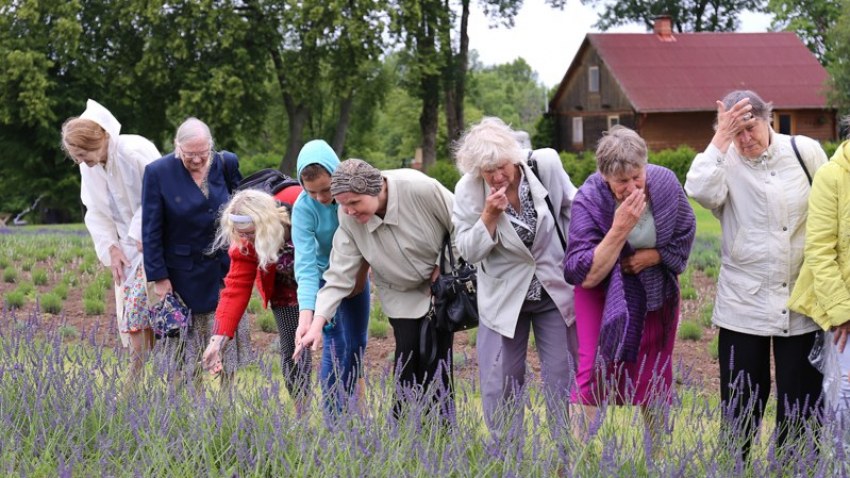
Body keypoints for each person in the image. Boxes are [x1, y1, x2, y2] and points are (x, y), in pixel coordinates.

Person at [685, 89, 827, 458]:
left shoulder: (804, 151)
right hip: (742, 303)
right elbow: (698, 190)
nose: (745, 139)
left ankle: (795, 467)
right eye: (736, 131)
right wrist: (721, 138)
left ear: (769, 118)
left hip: (801, 299)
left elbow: (831, 210)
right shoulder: (724, 161)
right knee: (741, 401)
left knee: (802, 404)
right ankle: (736, 467)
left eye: (751, 127)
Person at [564, 125, 695, 452]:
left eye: (637, 177)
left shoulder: (664, 183)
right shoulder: (589, 198)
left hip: (655, 290)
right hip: (602, 292)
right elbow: (581, 271)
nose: (632, 187)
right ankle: (576, 460)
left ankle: (659, 460)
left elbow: (686, 230)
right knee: (593, 372)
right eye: (621, 182)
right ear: (605, 177)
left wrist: (655, 256)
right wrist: (619, 228)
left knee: (655, 375)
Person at [294, 159, 455, 419]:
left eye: (355, 203)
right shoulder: (347, 216)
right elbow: (338, 275)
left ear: (377, 188)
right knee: (407, 359)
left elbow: (462, 224)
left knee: (437, 361)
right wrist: (316, 323)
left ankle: (441, 436)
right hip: (399, 291)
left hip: (440, 288)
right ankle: (403, 433)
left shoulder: (421, 189)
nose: (348, 212)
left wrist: (443, 265)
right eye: (343, 205)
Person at [452, 117, 578, 439]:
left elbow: (573, 207)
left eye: (501, 167)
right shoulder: (468, 190)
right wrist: (488, 217)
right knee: (500, 383)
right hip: (504, 298)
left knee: (563, 377)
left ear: (514, 155)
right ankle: (508, 460)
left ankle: (570, 455)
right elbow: (467, 250)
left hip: (552, 289)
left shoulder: (544, 164)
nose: (496, 176)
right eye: (486, 171)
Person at [142, 117, 251, 380]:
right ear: (176, 147)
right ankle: (186, 411)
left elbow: (244, 206)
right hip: (182, 277)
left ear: (211, 147)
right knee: (183, 358)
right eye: (190, 154)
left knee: (227, 348)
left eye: (203, 154)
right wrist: (159, 277)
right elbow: (151, 230)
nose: (197, 160)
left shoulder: (226, 163)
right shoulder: (158, 172)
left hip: (224, 271)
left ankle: (228, 408)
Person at [61, 99, 161, 383]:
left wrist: (140, 234)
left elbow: (158, 196)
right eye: (76, 157)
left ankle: (167, 383)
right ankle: (137, 380)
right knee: (134, 316)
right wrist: (111, 248)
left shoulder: (135, 151)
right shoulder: (90, 167)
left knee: (161, 313)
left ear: (101, 138)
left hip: (155, 241)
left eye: (84, 154)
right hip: (128, 250)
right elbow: (95, 210)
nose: (82, 162)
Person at [202, 189, 311, 411]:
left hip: (324, 285)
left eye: (251, 233)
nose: (247, 239)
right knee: (293, 354)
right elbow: (236, 288)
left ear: (267, 223)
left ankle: (348, 413)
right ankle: (303, 415)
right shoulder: (245, 241)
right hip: (285, 291)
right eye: (242, 234)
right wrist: (217, 341)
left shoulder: (302, 214)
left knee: (340, 349)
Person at [292, 140, 370, 413]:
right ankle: (334, 420)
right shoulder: (303, 208)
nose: (321, 198)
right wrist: (306, 316)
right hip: (326, 278)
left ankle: (353, 412)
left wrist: (360, 276)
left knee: (357, 342)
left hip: (357, 273)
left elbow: (366, 238)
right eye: (312, 192)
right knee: (335, 342)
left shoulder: (350, 196)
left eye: (326, 190)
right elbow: (305, 264)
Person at [789, 117, 850, 429]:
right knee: (844, 403)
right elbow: (819, 250)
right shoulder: (833, 175)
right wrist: (842, 312)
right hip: (845, 318)